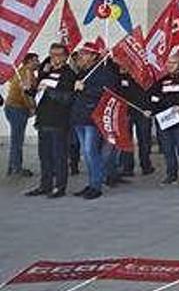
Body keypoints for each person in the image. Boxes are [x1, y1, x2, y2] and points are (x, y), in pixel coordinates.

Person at [24, 44, 76, 198]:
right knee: (44, 156)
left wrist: (49, 90)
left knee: (59, 156)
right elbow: (37, 93)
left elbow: (67, 98)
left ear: (66, 57)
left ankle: (60, 187)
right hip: (43, 120)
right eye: (52, 54)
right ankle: (45, 185)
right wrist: (28, 89)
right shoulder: (46, 72)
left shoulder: (69, 74)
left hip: (59, 121)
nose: (55, 58)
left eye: (59, 55)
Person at [70, 40, 118, 200]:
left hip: (92, 118)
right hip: (79, 118)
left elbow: (109, 91)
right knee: (87, 153)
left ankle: (96, 185)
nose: (80, 57)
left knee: (91, 152)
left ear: (92, 56)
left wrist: (86, 89)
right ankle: (91, 183)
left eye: (84, 54)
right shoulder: (83, 72)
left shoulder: (104, 72)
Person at [148, 54, 179, 188]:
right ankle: (171, 175)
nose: (170, 65)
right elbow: (153, 97)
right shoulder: (161, 81)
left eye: (173, 62)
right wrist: (151, 109)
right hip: (164, 121)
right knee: (168, 150)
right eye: (168, 62)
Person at [4, 52, 38, 177]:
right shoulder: (27, 72)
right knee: (17, 140)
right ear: (29, 61)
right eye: (36, 60)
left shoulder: (22, 71)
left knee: (16, 139)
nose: (38, 62)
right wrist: (32, 108)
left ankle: (12, 166)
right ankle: (16, 168)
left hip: (12, 107)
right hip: (17, 108)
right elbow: (26, 93)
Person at [117, 66, 154, 176]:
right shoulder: (123, 76)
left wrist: (150, 109)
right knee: (126, 140)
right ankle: (127, 167)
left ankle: (146, 165)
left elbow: (152, 92)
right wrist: (122, 74)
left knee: (144, 140)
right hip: (127, 112)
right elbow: (118, 91)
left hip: (143, 112)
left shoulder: (146, 75)